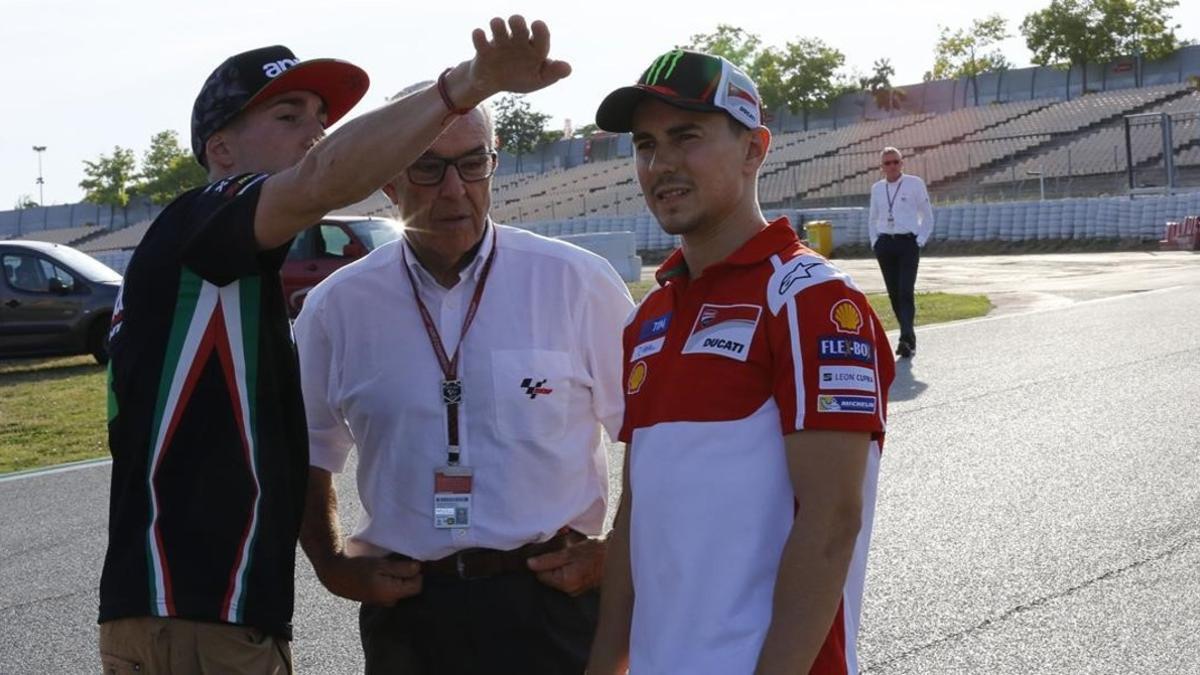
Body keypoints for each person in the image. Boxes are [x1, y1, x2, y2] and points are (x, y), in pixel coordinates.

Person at [98, 16, 570, 674]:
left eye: (321, 117)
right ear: (222, 149)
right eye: (289, 115)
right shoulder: (203, 220)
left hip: (197, 616)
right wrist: (467, 86)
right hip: (194, 619)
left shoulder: (219, 260)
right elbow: (324, 175)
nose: (316, 134)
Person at [292, 87, 633, 674]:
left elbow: (652, 432)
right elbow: (304, 449)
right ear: (389, 180)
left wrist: (614, 555)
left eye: (473, 163)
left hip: (553, 601)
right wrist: (330, 563)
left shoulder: (577, 283)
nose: (454, 190)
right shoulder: (336, 308)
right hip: (412, 615)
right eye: (427, 167)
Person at [586, 49, 896, 675]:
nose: (661, 163)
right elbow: (635, 513)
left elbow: (833, 522)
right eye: (645, 144)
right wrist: (605, 663)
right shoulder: (651, 316)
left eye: (687, 136)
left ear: (754, 149)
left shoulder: (812, 299)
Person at [867, 146, 934, 358]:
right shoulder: (877, 188)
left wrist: (920, 240)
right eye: (887, 163)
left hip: (908, 243)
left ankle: (905, 338)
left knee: (906, 290)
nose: (892, 166)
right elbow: (872, 217)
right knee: (894, 293)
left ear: (902, 163)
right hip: (885, 243)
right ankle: (908, 338)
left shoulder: (914, 184)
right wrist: (874, 241)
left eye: (896, 161)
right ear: (882, 167)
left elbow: (927, 216)